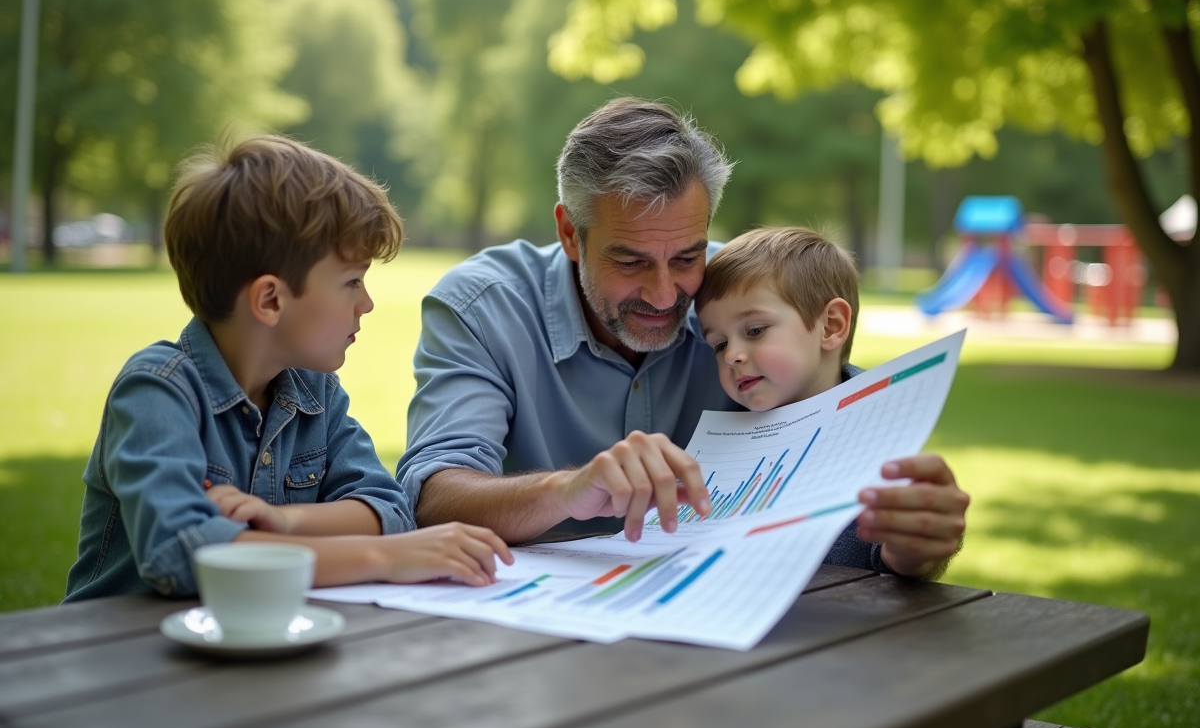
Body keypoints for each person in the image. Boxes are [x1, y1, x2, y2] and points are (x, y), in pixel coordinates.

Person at [397, 97, 966, 578]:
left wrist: (911, 542)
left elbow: (832, 462)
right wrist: (569, 490)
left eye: (688, 256)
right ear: (571, 234)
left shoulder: (736, 301)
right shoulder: (482, 308)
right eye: (631, 260)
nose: (667, 294)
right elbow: (434, 498)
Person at [65, 135, 511, 602]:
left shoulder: (315, 392)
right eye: (352, 281)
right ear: (271, 299)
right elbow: (181, 555)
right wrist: (385, 557)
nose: (367, 303)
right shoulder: (157, 391)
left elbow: (389, 509)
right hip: (122, 658)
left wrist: (287, 519)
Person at [695, 226, 968, 578]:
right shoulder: (722, 432)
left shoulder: (882, 427)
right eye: (718, 344)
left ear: (830, 326)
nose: (731, 355)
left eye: (755, 330)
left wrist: (914, 552)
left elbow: (907, 554)